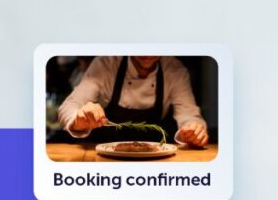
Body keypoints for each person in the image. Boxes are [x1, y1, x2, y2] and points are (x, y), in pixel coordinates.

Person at [58, 56, 209, 146]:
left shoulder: (175, 70)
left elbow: (189, 116)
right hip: (105, 156)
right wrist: (80, 120)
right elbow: (69, 106)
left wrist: (193, 131)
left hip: (156, 158)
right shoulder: (106, 64)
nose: (148, 52)